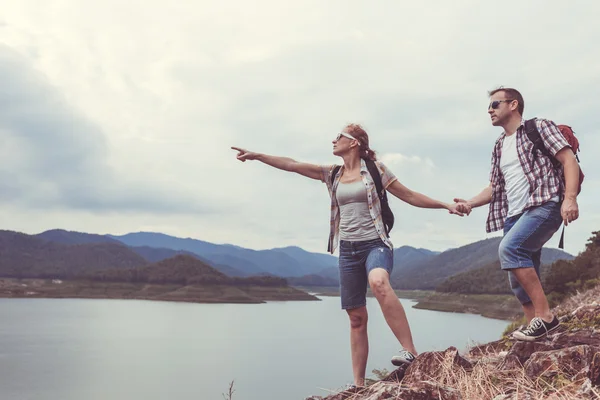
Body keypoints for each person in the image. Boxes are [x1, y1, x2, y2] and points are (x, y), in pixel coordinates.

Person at [232, 123, 465, 387]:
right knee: (356, 318)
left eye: (339, 136)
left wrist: (446, 204)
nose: (333, 140)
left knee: (379, 282)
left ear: (354, 142)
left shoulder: (376, 171)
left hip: (375, 244)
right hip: (348, 251)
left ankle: (409, 351)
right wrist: (257, 156)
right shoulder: (332, 174)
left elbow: (409, 195)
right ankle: (358, 385)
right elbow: (292, 164)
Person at [454, 87, 580, 342]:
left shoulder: (539, 127)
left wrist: (570, 199)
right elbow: (495, 187)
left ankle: (546, 319)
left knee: (510, 250)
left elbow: (569, 160)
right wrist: (470, 203)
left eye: (495, 104)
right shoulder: (499, 146)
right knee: (517, 282)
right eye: (489, 106)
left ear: (513, 105)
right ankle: (535, 336)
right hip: (514, 216)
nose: (489, 110)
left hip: (544, 204)